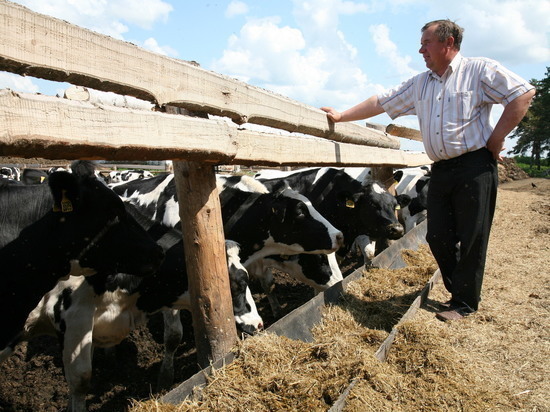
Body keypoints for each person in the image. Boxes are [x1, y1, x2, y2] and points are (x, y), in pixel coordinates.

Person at [321, 19, 535, 321]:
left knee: (472, 235)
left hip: (475, 165)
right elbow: (381, 101)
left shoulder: (479, 70)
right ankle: (458, 287)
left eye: (426, 43)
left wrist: (496, 138)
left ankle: (464, 302)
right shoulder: (421, 82)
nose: (421, 50)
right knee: (438, 236)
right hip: (441, 169)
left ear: (448, 43)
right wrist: (342, 115)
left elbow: (522, 93)